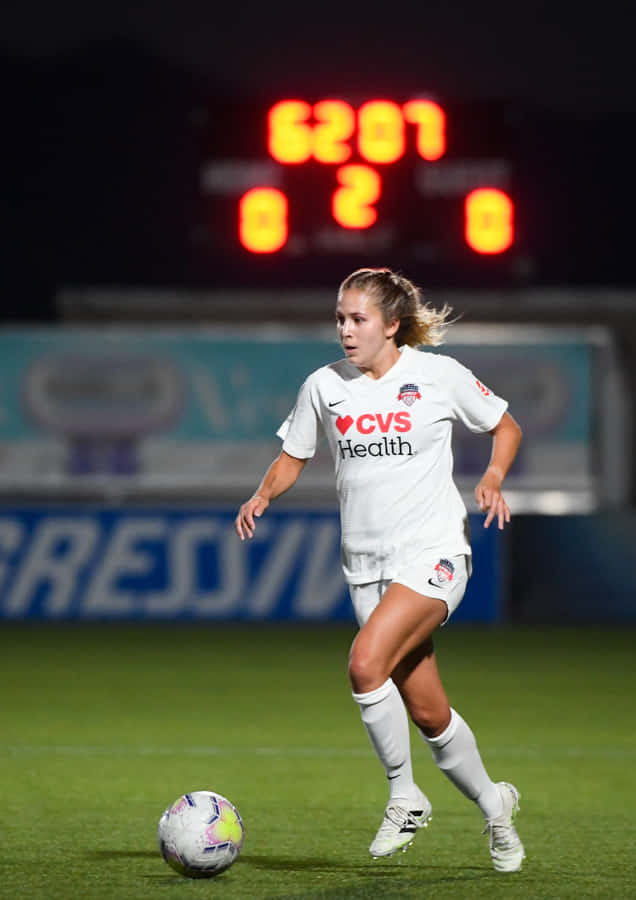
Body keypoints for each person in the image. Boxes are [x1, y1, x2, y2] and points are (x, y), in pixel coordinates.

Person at [235, 267, 525, 873]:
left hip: (434, 553)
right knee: (426, 711)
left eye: (358, 319)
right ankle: (496, 808)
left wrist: (493, 476)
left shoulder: (436, 376)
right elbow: (294, 455)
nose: (345, 329)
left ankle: (404, 794)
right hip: (365, 569)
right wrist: (263, 495)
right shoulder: (325, 386)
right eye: (340, 317)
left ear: (392, 325)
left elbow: (505, 425)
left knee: (365, 664)